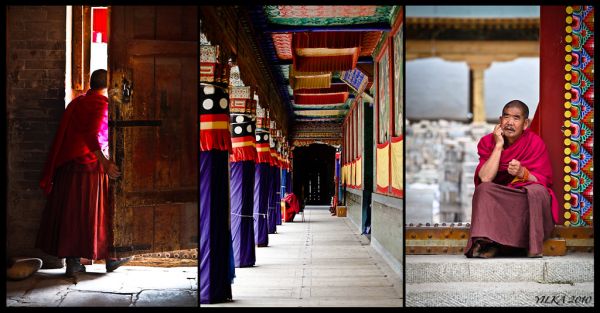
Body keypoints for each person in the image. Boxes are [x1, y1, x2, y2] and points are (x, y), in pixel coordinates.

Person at [36, 69, 131, 277]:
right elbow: (91, 134)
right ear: (109, 87)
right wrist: (105, 162)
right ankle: (111, 258)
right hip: (91, 167)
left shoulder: (77, 103)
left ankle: (73, 262)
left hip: (70, 167)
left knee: (72, 214)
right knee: (97, 212)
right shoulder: (100, 105)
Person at [464, 100, 558, 259]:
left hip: (521, 197)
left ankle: (528, 244)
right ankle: (490, 242)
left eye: (516, 118)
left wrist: (524, 173)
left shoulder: (535, 143)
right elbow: (485, 177)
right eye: (506, 117)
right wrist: (498, 146)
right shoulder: (488, 142)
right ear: (500, 121)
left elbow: (545, 181)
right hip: (500, 197)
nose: (509, 122)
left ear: (525, 123)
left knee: (537, 192)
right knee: (484, 190)